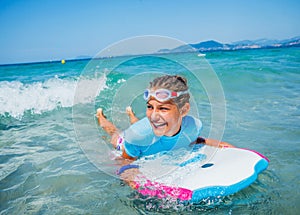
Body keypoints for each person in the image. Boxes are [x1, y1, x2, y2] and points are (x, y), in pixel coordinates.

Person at [96, 75, 234, 162]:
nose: (153, 115)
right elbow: (125, 161)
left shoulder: (194, 126)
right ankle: (100, 116)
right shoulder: (136, 137)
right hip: (126, 143)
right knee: (114, 133)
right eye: (150, 107)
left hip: (144, 131)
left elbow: (196, 140)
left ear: (184, 110)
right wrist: (132, 179)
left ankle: (131, 114)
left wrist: (221, 144)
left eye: (163, 108)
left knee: (143, 126)